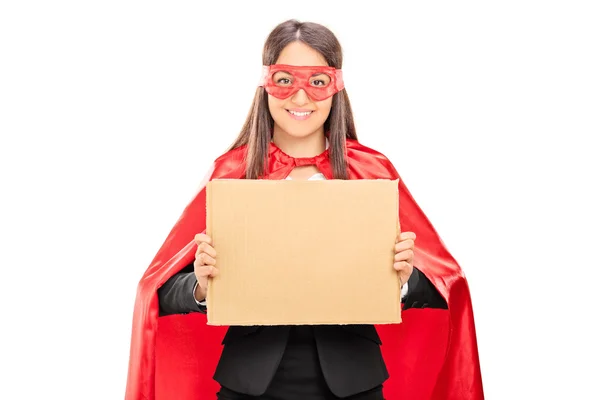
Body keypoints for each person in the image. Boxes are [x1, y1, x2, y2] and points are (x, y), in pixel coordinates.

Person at [125, 19, 484, 400]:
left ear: (336, 89)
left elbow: (446, 286)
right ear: (265, 85)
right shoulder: (231, 174)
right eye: (285, 81)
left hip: (355, 382)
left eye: (316, 82)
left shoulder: (371, 174)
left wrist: (402, 279)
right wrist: (202, 284)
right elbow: (159, 291)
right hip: (248, 384)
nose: (300, 99)